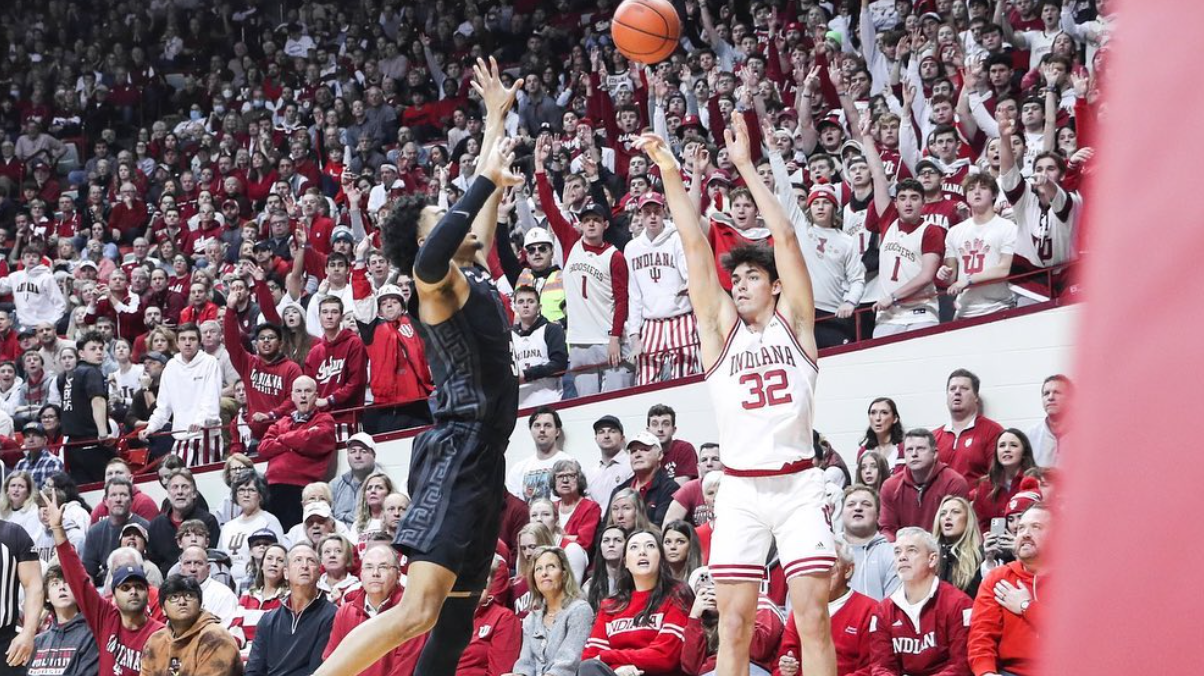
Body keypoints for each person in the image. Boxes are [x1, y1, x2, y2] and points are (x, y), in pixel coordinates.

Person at [315, 58, 522, 676]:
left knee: (457, 619)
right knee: (418, 610)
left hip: (487, 455)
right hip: (455, 448)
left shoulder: (471, 273)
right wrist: (481, 179)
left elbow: (477, 228)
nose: (452, 221)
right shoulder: (431, 284)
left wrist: (492, 119)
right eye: (439, 217)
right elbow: (440, 241)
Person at [639, 120, 837, 676]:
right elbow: (694, 248)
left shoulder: (796, 324)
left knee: (813, 617)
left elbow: (789, 239)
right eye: (739, 278)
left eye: (753, 276)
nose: (742, 284)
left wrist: (747, 166)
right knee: (731, 624)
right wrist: (671, 173)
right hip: (742, 490)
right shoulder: (720, 333)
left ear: (774, 285)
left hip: (799, 484)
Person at [48, 489, 163, 676]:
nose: (133, 591)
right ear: (114, 594)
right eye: (126, 587)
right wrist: (58, 530)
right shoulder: (106, 617)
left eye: (139, 587)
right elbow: (78, 579)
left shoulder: (160, 634)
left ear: (147, 592)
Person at [578, 529, 692, 676]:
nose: (642, 552)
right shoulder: (611, 605)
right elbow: (590, 659)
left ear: (661, 558)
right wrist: (617, 669)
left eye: (650, 546)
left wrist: (608, 656)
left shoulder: (677, 593)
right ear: (625, 562)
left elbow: (664, 657)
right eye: (634, 547)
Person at [867, 528, 973, 675]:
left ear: (932, 559)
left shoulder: (959, 604)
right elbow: (881, 666)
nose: (902, 557)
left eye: (912, 550)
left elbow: (961, 664)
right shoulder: (883, 610)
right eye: (897, 552)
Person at [622, 192, 699, 386]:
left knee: (685, 378)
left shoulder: (676, 238)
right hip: (651, 322)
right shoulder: (632, 248)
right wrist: (634, 335)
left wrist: (689, 284)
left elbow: (687, 270)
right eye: (647, 212)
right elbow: (634, 294)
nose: (653, 216)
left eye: (656, 211)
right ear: (640, 215)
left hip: (681, 317)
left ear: (664, 211)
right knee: (646, 381)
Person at [967, 504, 1050, 676]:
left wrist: (1026, 606)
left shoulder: (1075, 580)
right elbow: (981, 636)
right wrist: (986, 672)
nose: (1025, 534)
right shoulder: (999, 578)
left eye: (1036, 527)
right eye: (1020, 528)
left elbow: (1076, 636)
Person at [775, 540, 877, 676]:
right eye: (818, 565)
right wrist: (786, 670)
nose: (823, 572)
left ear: (848, 570)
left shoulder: (870, 609)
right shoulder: (801, 608)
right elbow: (780, 664)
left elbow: (872, 668)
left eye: (831, 565)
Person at [256, 376, 337, 530]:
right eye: (298, 391)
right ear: (292, 396)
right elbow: (263, 447)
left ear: (316, 395)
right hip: (271, 490)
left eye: (308, 391)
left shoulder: (325, 420)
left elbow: (313, 440)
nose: (303, 395)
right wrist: (298, 439)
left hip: (300, 492)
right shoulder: (282, 422)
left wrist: (282, 438)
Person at [139, 323, 224, 466]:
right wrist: (151, 427)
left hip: (207, 435)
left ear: (199, 342)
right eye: (183, 339)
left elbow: (211, 399)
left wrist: (200, 421)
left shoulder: (210, 362)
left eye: (192, 339)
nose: (188, 343)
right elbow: (163, 406)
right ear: (177, 343)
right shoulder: (171, 366)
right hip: (180, 436)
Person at [221, 292, 302, 440]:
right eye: (261, 338)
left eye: (271, 338)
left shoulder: (291, 368)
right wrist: (230, 310)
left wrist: (270, 415)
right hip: (255, 434)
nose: (266, 341)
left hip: (283, 433)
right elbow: (232, 343)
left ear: (281, 343)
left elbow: (293, 400)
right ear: (256, 343)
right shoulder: (248, 363)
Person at [246, 544, 337, 676]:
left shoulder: (332, 616)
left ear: (318, 573)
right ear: (286, 573)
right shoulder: (268, 620)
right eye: (298, 560)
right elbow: (253, 670)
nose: (304, 566)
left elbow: (318, 671)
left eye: (310, 561)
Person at [937, 175, 1017, 319]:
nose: (977, 192)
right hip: (964, 310)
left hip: (999, 306)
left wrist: (968, 280)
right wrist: (944, 273)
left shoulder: (1008, 227)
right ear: (966, 196)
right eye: (972, 189)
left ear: (994, 195)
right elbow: (951, 280)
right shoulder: (954, 232)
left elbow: (1004, 269)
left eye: (983, 188)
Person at [507, 546, 595, 676]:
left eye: (551, 567)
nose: (544, 573)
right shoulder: (531, 619)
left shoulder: (580, 611)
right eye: (539, 569)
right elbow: (526, 663)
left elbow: (568, 663)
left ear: (564, 574)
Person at [139, 574, 243, 676]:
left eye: (189, 596)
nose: (182, 602)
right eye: (174, 597)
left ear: (200, 604)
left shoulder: (216, 638)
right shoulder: (156, 640)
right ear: (163, 609)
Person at [879, 429, 971, 539]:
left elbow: (956, 529)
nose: (914, 454)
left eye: (920, 449)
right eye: (909, 450)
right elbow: (887, 529)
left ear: (935, 454)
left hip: (942, 549)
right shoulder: (890, 486)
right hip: (903, 551)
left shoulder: (954, 482)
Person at [932, 369, 1005, 484]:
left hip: (975, 501)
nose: (957, 392)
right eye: (952, 389)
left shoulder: (993, 431)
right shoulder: (934, 437)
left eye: (964, 388)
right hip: (941, 501)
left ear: (976, 397)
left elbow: (998, 477)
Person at [59, 331, 113, 484]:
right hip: (91, 443)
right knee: (110, 485)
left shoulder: (66, 375)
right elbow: (97, 401)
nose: (99, 352)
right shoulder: (91, 372)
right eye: (93, 348)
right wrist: (103, 433)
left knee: (84, 490)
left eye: (101, 348)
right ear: (81, 353)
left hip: (72, 446)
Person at [147, 469, 222, 577]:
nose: (180, 492)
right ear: (168, 493)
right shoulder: (156, 525)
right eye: (175, 487)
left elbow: (212, 557)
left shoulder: (208, 521)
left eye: (185, 487)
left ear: (194, 494)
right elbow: (154, 562)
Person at [29, 564, 100, 676]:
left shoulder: (91, 636)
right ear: (47, 596)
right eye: (55, 583)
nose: (62, 587)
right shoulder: (38, 642)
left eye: (67, 582)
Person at [455, 556, 522, 675]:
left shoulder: (503, 618)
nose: (481, 582)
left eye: (487, 576)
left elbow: (500, 672)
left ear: (491, 583)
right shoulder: (446, 614)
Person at [81, 477, 150, 586]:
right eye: (113, 495)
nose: (118, 499)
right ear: (105, 501)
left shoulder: (145, 527)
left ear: (132, 500)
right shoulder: (94, 532)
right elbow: (88, 572)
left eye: (123, 495)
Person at [218, 472, 285, 581]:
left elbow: (278, 554)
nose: (246, 495)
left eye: (251, 490)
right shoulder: (228, 526)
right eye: (241, 490)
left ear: (260, 495)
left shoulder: (269, 521)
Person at [969, 430, 1037, 534]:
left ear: (1024, 452)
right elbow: (980, 523)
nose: (1006, 450)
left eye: (1013, 445)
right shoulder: (985, 485)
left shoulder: (1035, 481)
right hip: (994, 546)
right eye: (1002, 446)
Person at [839, 486, 900, 601]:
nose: (858, 508)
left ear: (878, 515)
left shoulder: (892, 554)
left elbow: (893, 608)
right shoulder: (829, 552)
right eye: (851, 504)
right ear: (842, 513)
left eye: (866, 504)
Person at [511, 285, 568, 407]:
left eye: (530, 301)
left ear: (539, 307)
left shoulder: (552, 329)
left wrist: (526, 375)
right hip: (518, 403)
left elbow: (560, 365)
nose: (525, 305)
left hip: (549, 399)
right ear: (514, 307)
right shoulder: (508, 335)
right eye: (521, 302)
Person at [610, 431, 679, 526]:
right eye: (633, 451)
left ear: (659, 455)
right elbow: (607, 526)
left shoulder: (670, 489)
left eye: (644, 449)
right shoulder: (619, 490)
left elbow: (661, 527)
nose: (637, 455)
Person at [231, 541, 289, 652]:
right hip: (245, 654)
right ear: (261, 565)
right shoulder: (247, 596)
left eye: (280, 560)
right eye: (269, 558)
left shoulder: (289, 598)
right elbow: (236, 630)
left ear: (286, 569)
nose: (274, 563)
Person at [506, 408, 572, 502]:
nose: (542, 430)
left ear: (557, 432)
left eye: (547, 425)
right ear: (531, 431)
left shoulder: (570, 464)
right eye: (537, 425)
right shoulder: (517, 470)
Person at [933, 496, 985, 599]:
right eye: (943, 514)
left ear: (968, 520)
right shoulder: (930, 555)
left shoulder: (979, 556)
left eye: (955, 512)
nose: (947, 517)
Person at [179, 545, 240, 629]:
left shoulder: (224, 595)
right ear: (180, 568)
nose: (192, 569)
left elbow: (226, 633)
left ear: (208, 569)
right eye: (188, 563)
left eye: (198, 563)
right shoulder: (173, 593)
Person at [663, 443, 723, 527]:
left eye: (715, 459)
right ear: (698, 467)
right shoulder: (689, 488)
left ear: (725, 464)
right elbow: (668, 525)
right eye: (704, 460)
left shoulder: (736, 487)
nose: (709, 464)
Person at [329, 432, 380, 525]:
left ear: (374, 455)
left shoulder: (381, 484)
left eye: (363, 451)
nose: (357, 456)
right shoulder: (335, 484)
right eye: (353, 451)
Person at [550, 458, 601, 548]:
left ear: (579, 480)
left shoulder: (590, 507)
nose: (565, 480)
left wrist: (554, 538)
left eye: (570, 476)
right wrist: (570, 538)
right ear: (554, 482)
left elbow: (584, 542)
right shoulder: (550, 507)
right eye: (560, 476)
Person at [645, 404, 700, 485]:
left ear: (674, 430)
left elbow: (680, 489)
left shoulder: (684, 449)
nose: (660, 429)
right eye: (655, 424)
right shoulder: (643, 453)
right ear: (648, 430)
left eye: (666, 424)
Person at [586, 415, 632, 505]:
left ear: (622, 437)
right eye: (601, 432)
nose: (606, 436)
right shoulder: (590, 473)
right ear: (596, 439)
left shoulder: (631, 465)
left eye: (612, 431)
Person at [1026, 375, 1070, 467]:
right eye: (1046, 393)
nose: (1050, 397)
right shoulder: (1031, 435)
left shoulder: (1085, 434)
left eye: (1057, 392)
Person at [584, 526, 629, 612]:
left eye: (618, 540)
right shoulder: (589, 586)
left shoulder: (635, 583)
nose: (611, 544)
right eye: (606, 540)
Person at [857, 398, 905, 473]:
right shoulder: (864, 451)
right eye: (873, 413)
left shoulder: (902, 449)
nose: (878, 418)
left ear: (895, 418)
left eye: (884, 413)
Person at [13, 422, 64, 489]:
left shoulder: (53, 462)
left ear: (45, 440)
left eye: (35, 435)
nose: (31, 440)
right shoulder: (20, 464)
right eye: (27, 436)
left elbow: (53, 491)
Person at [317, 534, 361, 604]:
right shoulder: (314, 588)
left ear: (347, 558)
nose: (332, 555)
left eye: (338, 551)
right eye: (327, 551)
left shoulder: (358, 588)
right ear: (321, 559)